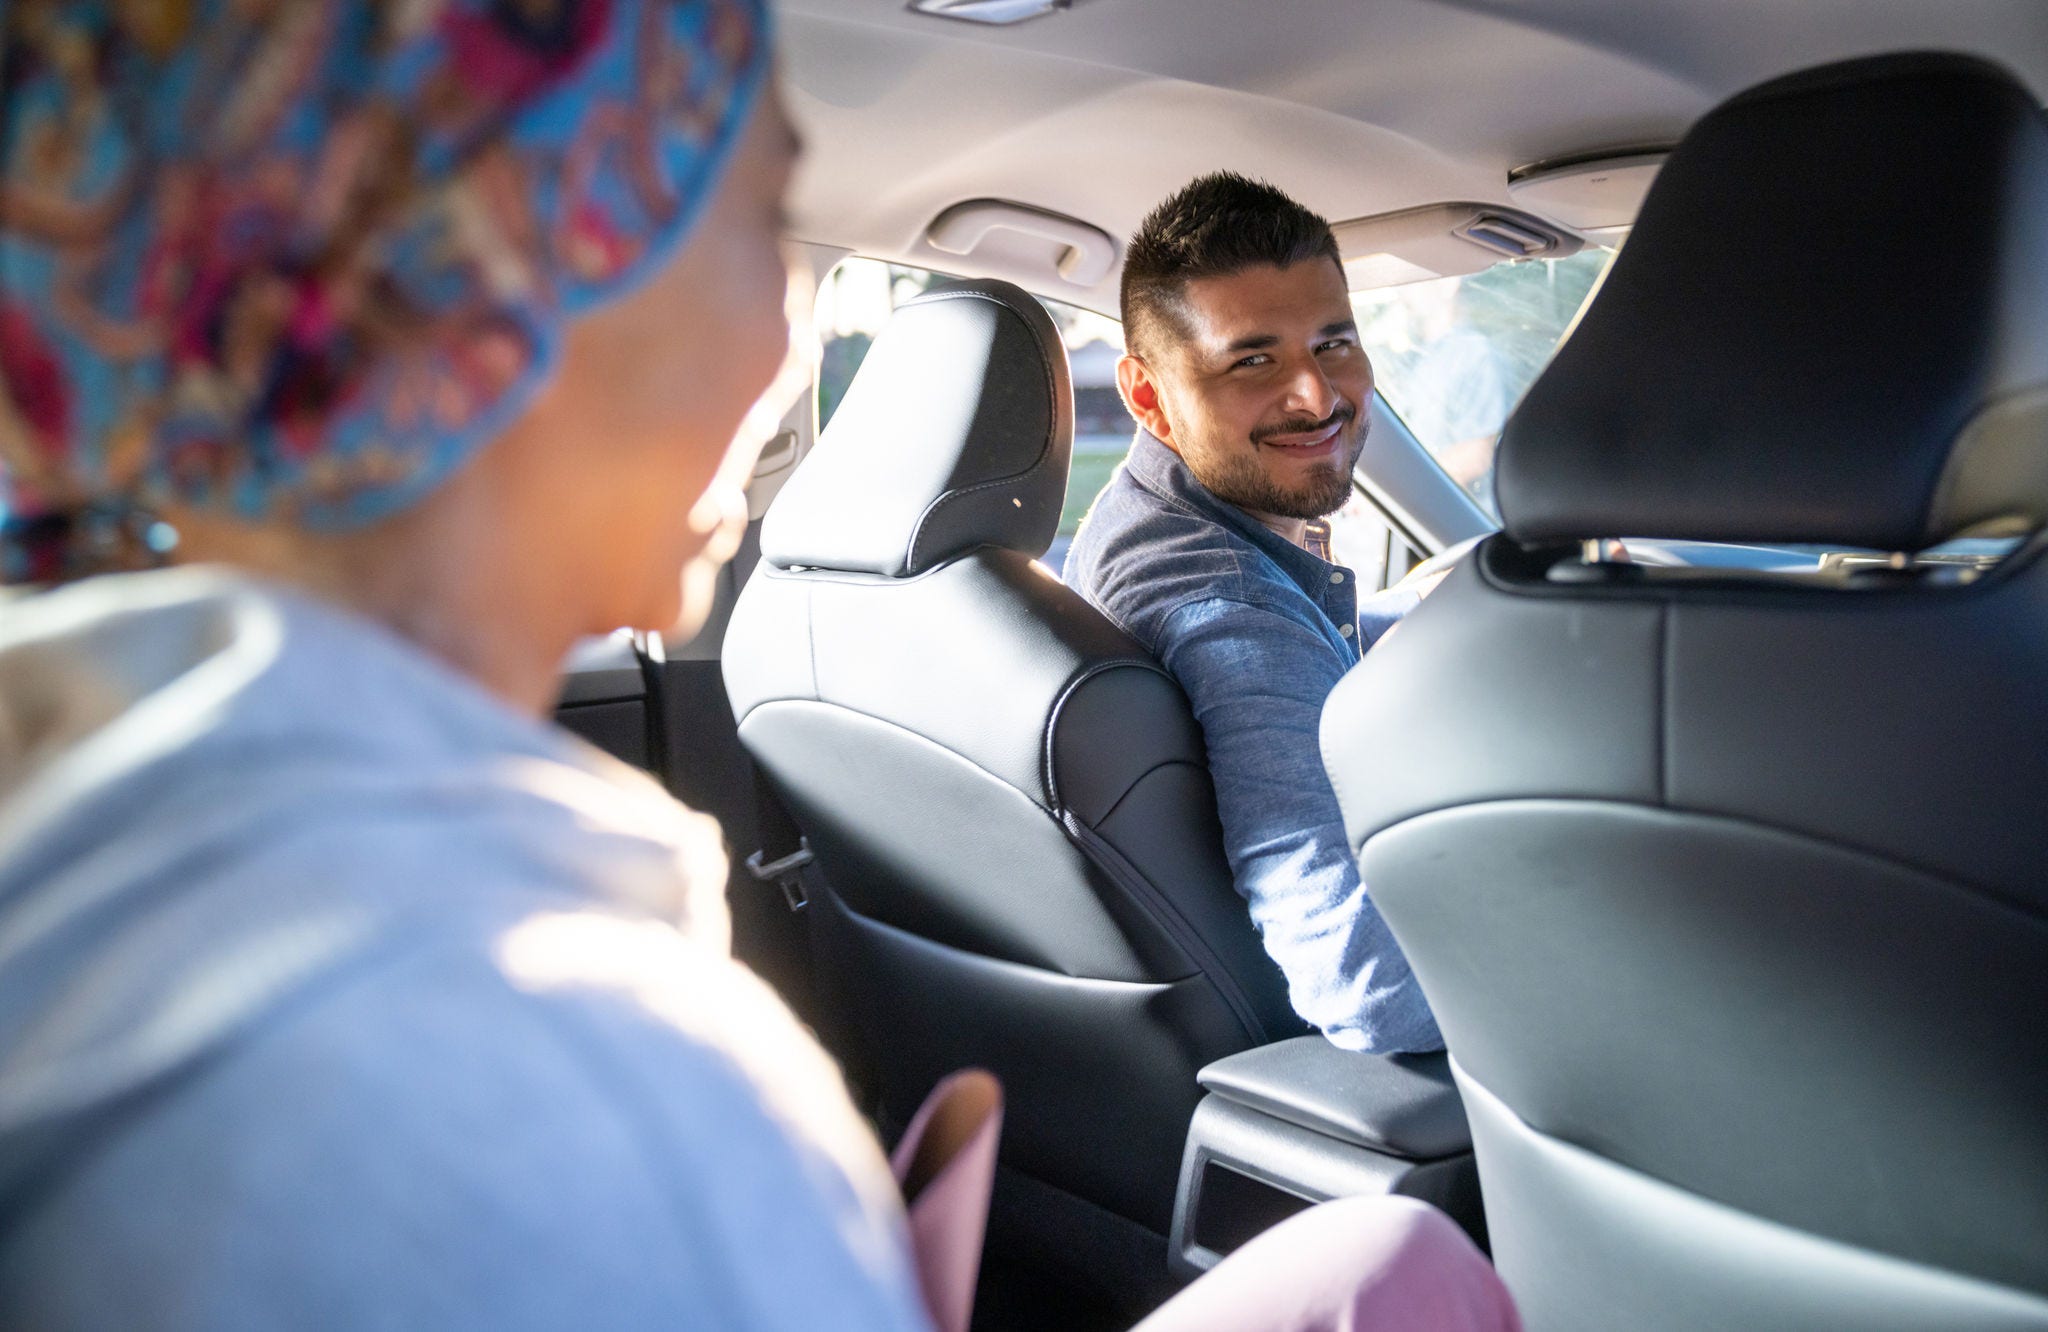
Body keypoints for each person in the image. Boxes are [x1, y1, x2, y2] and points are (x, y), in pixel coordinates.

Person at [0, 8, 1515, 1327]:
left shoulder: (115, 845)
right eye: (751, 225)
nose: (789, 345)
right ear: (517, 311)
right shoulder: (577, 1081)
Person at [1065, 172, 1442, 1055]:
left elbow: (1293, 642)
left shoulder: (1143, 520)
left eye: (1334, 342)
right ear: (1148, 395)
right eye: (1253, 360)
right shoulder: (1224, 607)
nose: (1317, 396)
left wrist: (1420, 614)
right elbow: (1366, 987)